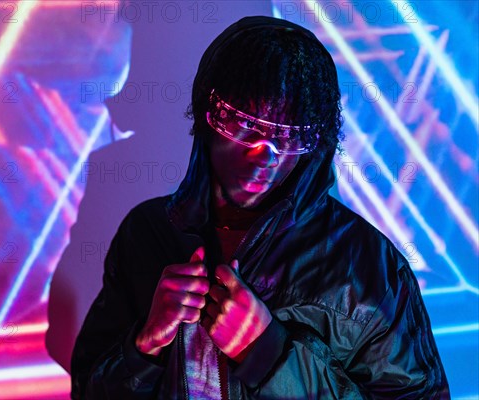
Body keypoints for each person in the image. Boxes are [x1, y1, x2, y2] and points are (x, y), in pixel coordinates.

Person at [70, 16, 450, 399]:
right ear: (207, 116)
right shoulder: (147, 233)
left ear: (315, 142)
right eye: (243, 125)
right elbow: (87, 390)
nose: (263, 155)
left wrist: (270, 357)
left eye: (287, 136)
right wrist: (144, 347)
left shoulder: (367, 266)